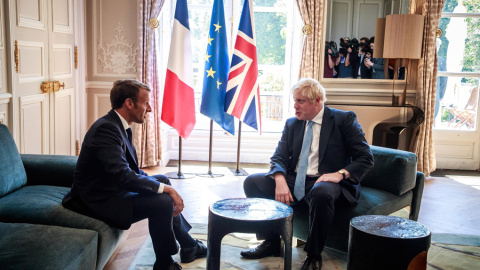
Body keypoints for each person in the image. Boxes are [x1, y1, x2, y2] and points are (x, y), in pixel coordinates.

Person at [62, 79, 206, 270]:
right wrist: (167, 191)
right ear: (129, 103)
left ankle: (188, 245)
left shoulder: (118, 125)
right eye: (145, 102)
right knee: (162, 201)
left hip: (111, 189)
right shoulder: (106, 129)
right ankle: (164, 263)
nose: (149, 109)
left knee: (162, 180)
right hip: (96, 199)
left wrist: (163, 186)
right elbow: (122, 175)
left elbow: (130, 169)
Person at [240, 78, 374, 270]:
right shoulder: (292, 124)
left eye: (300, 101)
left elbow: (366, 157)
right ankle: (271, 242)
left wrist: (340, 174)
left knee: (321, 192)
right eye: (294, 100)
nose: (295, 106)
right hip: (296, 178)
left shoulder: (343, 120)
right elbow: (278, 157)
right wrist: (279, 179)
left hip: (326, 180)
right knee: (252, 182)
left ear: (317, 100)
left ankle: (313, 255)